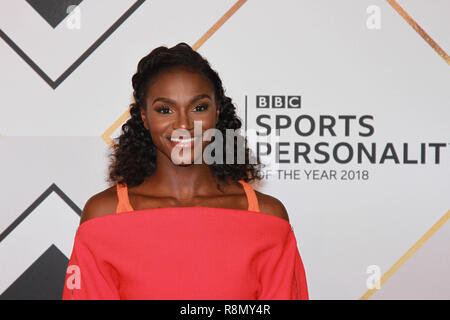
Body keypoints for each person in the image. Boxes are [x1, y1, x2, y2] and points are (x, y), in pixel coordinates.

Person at [62, 43, 309, 300]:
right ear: (144, 117)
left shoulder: (266, 217)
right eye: (165, 110)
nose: (183, 124)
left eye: (198, 107)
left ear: (217, 111)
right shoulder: (104, 216)